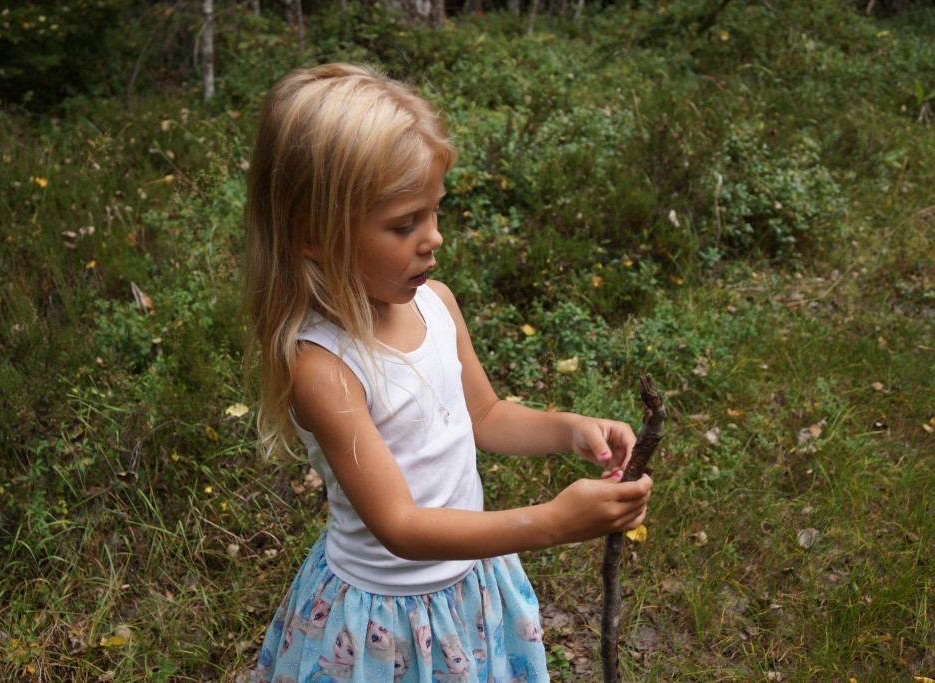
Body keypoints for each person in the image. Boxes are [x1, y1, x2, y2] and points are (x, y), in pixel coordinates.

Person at [243, 62, 653, 683]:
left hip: (470, 578)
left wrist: (569, 428)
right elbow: (401, 527)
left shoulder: (436, 305)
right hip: (385, 619)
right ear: (314, 235)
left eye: (435, 212)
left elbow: (485, 416)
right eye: (404, 224)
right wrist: (553, 523)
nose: (432, 239)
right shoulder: (324, 366)